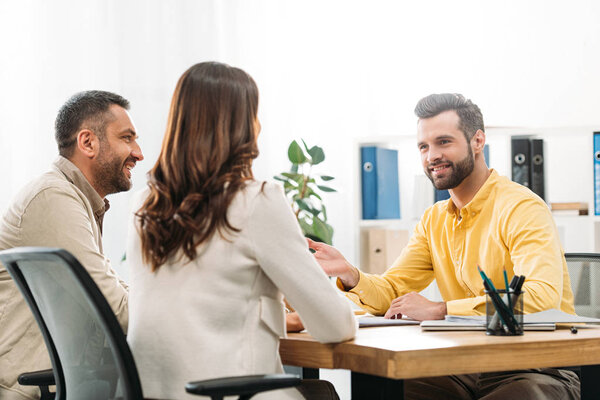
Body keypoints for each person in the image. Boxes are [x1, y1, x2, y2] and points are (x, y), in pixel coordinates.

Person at [308, 93, 580, 399]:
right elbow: (393, 292)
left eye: (444, 142)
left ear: (478, 141)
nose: (431, 155)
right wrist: (351, 275)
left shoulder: (521, 208)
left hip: (533, 367)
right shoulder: (433, 220)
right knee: (386, 391)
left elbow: (541, 299)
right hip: (464, 365)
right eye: (423, 147)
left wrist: (441, 310)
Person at [126, 61, 356, 400]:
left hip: (156, 394)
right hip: (231, 394)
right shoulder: (255, 200)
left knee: (318, 391)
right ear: (241, 126)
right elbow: (335, 325)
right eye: (254, 114)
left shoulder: (144, 204)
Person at [0, 90, 143, 400]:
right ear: (87, 142)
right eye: (127, 138)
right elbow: (114, 310)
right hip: (28, 391)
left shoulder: (76, 200)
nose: (139, 153)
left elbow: (111, 291)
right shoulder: (53, 198)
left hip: (52, 385)